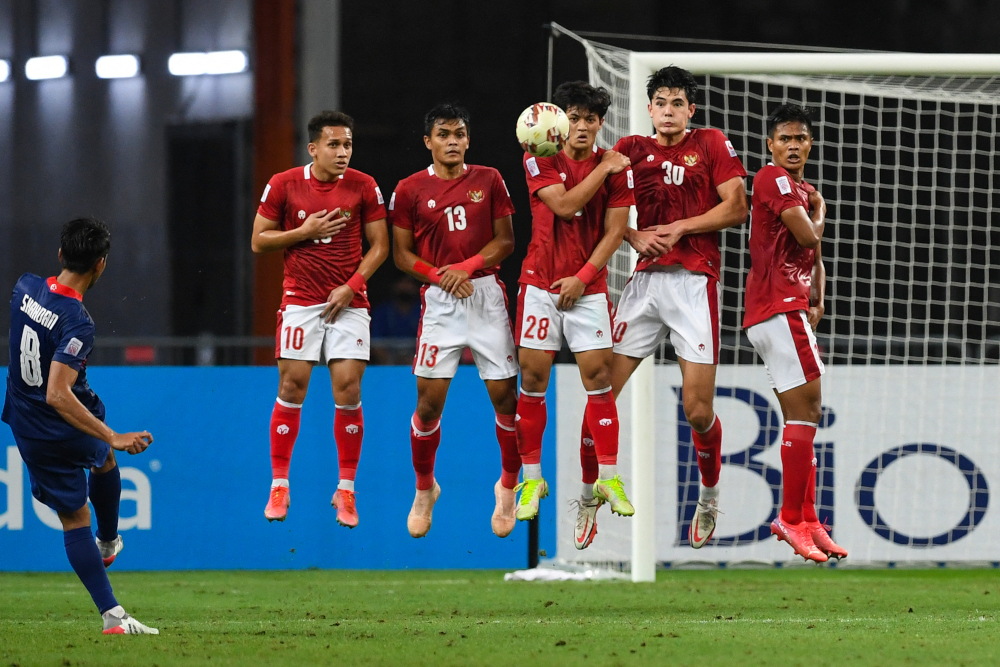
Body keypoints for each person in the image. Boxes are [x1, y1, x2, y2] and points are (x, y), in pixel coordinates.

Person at [575, 66, 748, 550]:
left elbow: (737, 207)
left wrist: (681, 227)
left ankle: (709, 496)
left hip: (695, 284)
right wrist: (630, 233)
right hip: (645, 284)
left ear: (690, 110)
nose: (668, 111)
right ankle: (588, 495)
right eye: (661, 103)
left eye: (677, 103)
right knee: (599, 390)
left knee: (697, 411)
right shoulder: (629, 150)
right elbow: (583, 204)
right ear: (648, 109)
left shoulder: (711, 143)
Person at [2, 217, 157, 634]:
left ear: (60, 254)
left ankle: (107, 543)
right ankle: (113, 616)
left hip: (23, 415)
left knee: (100, 461)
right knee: (77, 513)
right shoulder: (78, 321)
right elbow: (57, 392)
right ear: (101, 265)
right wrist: (114, 434)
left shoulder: (23, 287)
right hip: (53, 420)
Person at [252, 110, 389, 528]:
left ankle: (346, 490)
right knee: (292, 386)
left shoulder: (365, 186)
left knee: (347, 389)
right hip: (301, 299)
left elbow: (380, 246)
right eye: (334, 144)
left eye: (347, 144)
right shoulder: (284, 183)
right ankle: (279, 484)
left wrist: (352, 285)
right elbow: (259, 240)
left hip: (349, 301)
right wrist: (303, 231)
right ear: (314, 148)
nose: (343, 152)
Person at [390, 103, 521, 538]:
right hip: (440, 299)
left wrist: (466, 267)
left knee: (506, 401)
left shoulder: (490, 179)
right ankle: (425, 489)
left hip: (484, 294)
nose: (452, 141)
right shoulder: (409, 189)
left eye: (459, 134)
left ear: (468, 139)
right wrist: (441, 276)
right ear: (428, 141)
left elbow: (506, 241)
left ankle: (506, 485)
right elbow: (401, 255)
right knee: (428, 406)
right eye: (443, 134)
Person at [515, 82, 635, 525]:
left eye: (591, 119)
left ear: (601, 123)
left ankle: (608, 476)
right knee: (533, 376)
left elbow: (616, 230)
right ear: (561, 121)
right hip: (540, 284)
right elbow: (564, 206)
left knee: (598, 376)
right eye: (575, 117)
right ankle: (531, 478)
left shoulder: (619, 168)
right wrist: (603, 169)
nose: (582, 126)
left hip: (588, 288)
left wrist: (583, 278)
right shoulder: (539, 155)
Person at [744, 104, 847, 562]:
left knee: (801, 417)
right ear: (771, 144)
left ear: (809, 143)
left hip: (786, 310)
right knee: (809, 411)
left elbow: (813, 258)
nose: (792, 145)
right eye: (783, 138)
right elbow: (809, 238)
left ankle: (808, 520)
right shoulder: (773, 179)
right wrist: (820, 210)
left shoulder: (799, 187)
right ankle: (790, 516)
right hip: (777, 307)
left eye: (799, 138)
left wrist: (819, 297)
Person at [369, 275, 423, 365]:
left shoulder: (423, 310)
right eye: (402, 283)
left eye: (409, 283)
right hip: (388, 363)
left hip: (417, 360)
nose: (405, 287)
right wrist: (391, 362)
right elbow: (376, 342)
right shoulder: (382, 311)